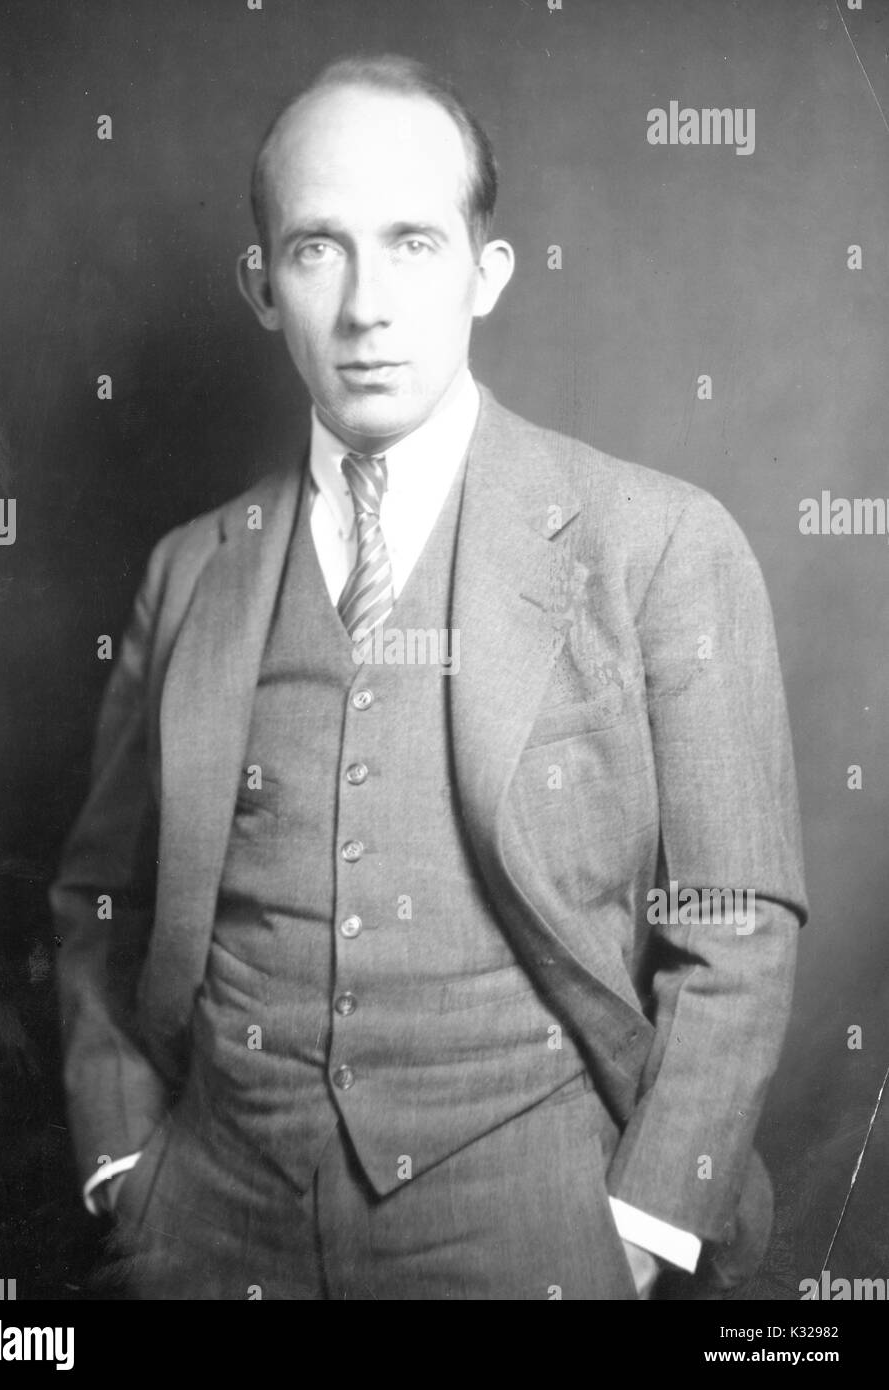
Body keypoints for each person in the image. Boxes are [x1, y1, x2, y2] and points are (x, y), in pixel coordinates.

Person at [51, 53, 807, 1300]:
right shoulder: (188, 572)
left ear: (486, 273)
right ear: (260, 287)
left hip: (539, 1222)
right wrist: (125, 1162)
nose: (365, 307)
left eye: (412, 242)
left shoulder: (662, 543)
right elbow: (95, 902)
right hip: (206, 1219)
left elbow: (738, 927)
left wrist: (639, 1232)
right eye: (316, 249)